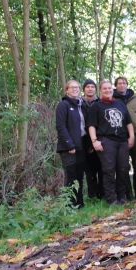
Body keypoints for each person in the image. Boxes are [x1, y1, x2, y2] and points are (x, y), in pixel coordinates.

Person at [87, 80, 134, 205]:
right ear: (100, 91)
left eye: (109, 88)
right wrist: (94, 141)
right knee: (109, 170)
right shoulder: (96, 106)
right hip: (106, 140)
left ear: (112, 90)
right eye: (104, 89)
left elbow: (128, 122)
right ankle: (111, 199)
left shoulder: (120, 104)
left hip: (123, 141)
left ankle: (122, 197)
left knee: (123, 169)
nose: (107, 90)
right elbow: (91, 125)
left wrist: (132, 137)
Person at [113, 77, 136, 202]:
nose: (122, 85)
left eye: (124, 83)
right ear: (116, 86)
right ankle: (128, 195)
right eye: (119, 83)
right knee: (123, 167)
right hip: (120, 137)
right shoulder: (112, 99)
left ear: (127, 85)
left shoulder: (135, 98)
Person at [56, 80, 86, 208]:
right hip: (68, 148)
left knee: (79, 176)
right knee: (71, 176)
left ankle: (79, 202)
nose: (75, 89)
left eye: (77, 87)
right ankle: (69, 205)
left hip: (81, 146)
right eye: (72, 87)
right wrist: (70, 145)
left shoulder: (81, 105)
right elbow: (60, 126)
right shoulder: (63, 105)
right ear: (66, 90)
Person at [82, 79, 103, 199]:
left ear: (96, 89)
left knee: (102, 168)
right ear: (84, 89)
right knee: (89, 171)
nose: (90, 89)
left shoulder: (100, 102)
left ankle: (102, 193)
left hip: (99, 139)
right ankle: (92, 195)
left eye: (92, 87)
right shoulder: (79, 103)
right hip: (84, 140)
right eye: (87, 87)